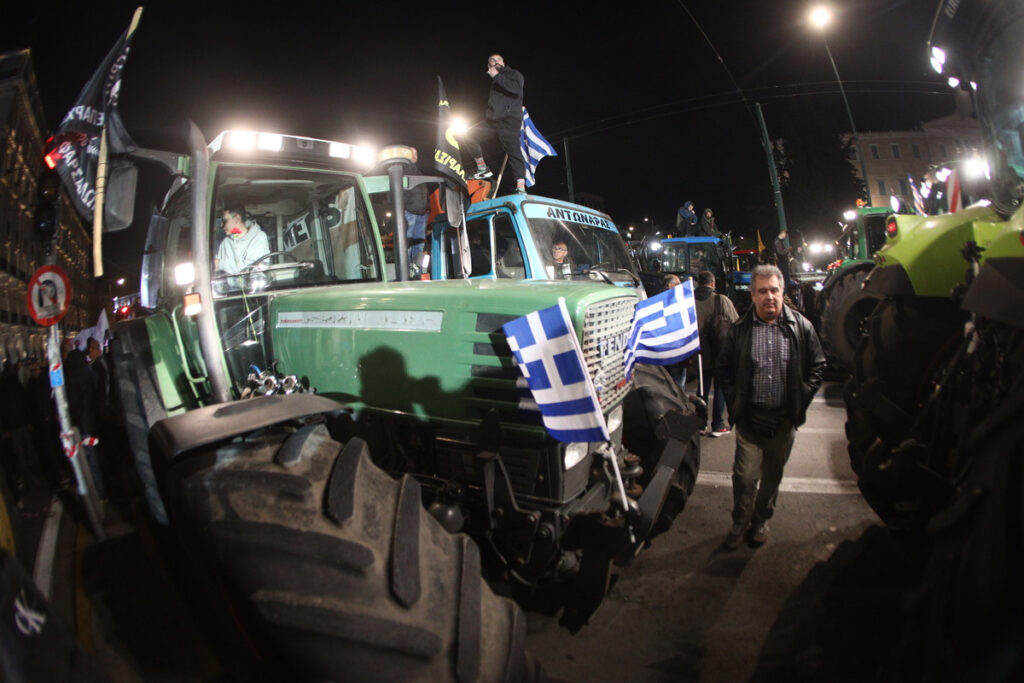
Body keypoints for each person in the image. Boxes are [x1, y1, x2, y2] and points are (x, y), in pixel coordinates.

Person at [716, 265, 825, 549]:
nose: (769, 297)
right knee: (745, 477)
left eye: (774, 290)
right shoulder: (739, 330)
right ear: (752, 295)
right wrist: (734, 402)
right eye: (762, 291)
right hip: (750, 422)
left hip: (783, 421)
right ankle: (740, 521)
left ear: (782, 292)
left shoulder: (801, 327)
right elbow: (724, 369)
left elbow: (817, 365)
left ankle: (761, 520)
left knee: (772, 478)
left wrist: (802, 396)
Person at [462, 54, 528, 194]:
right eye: (493, 61)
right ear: (488, 66)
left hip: (508, 120)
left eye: (499, 60)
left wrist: (497, 76)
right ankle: (482, 168)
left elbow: (516, 90)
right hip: (493, 121)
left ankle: (521, 187)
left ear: (503, 62)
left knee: (514, 152)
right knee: (469, 135)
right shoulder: (495, 80)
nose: (496, 62)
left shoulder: (513, 74)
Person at [695, 270, 738, 436]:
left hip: (699, 353)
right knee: (720, 388)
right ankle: (718, 425)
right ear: (713, 283)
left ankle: (700, 423)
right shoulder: (721, 300)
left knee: (702, 388)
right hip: (720, 351)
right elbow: (736, 323)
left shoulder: (688, 301)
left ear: (699, 282)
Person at [215, 205, 270, 275]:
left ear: (236, 220)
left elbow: (252, 269)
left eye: (224, 220)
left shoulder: (258, 237)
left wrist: (221, 264)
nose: (221, 225)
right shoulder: (225, 242)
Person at [402, 148, 430, 274]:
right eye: (412, 153)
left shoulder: (419, 172)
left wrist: (427, 208)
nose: (415, 155)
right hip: (410, 212)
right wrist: (404, 208)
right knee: (407, 243)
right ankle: (406, 271)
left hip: (422, 213)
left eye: (416, 153)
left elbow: (424, 192)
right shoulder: (402, 170)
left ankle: (417, 271)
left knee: (419, 244)